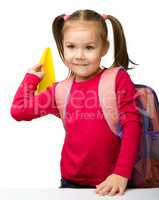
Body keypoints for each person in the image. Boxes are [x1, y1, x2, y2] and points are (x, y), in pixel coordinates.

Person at [10, 9, 142, 196]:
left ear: (104, 47)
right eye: (71, 46)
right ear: (62, 46)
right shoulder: (60, 90)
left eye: (89, 47)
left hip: (114, 182)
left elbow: (132, 126)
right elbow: (18, 110)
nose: (79, 55)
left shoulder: (117, 79)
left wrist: (121, 173)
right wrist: (31, 79)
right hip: (70, 183)